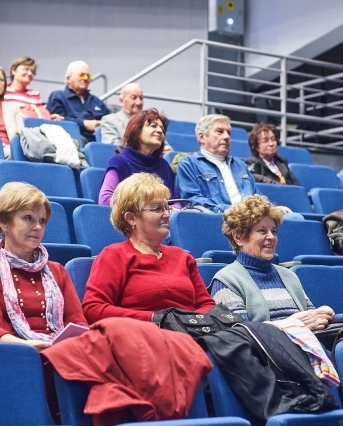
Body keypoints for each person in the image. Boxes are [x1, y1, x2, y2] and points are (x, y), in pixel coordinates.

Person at [0, 182, 87, 348]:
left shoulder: (58, 271)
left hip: (63, 351)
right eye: (28, 218)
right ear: (4, 222)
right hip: (14, 354)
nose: (37, 227)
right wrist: (26, 346)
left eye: (42, 221)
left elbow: (78, 324)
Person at [82, 173, 216, 323]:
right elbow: (93, 309)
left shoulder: (183, 257)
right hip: (141, 337)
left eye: (167, 207)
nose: (166, 214)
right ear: (131, 218)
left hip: (191, 336)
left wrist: (191, 322)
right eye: (157, 209)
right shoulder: (114, 255)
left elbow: (206, 304)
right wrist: (155, 319)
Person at [211, 195, 335, 327]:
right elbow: (239, 335)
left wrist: (322, 316)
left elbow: (311, 320)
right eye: (262, 231)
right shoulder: (226, 281)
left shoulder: (290, 276)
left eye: (274, 231)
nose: (271, 237)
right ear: (238, 237)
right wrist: (290, 326)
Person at [176, 114, 293, 215]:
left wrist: (271, 209)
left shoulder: (240, 165)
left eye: (228, 133)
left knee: (293, 217)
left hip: (251, 219)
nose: (227, 137)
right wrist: (232, 211)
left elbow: (256, 196)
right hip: (219, 217)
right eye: (220, 132)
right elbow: (193, 200)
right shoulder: (189, 164)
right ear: (202, 137)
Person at [98, 109, 177, 205]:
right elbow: (105, 200)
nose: (160, 131)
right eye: (153, 126)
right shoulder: (119, 161)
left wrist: (171, 210)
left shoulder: (164, 165)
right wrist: (145, 208)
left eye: (162, 129)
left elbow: (176, 201)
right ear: (137, 131)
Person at [46, 60, 109, 143]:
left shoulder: (96, 101)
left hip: (99, 141)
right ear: (68, 79)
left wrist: (101, 124)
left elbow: (110, 121)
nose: (86, 78)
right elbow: (59, 123)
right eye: (81, 75)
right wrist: (83, 124)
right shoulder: (58, 96)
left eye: (88, 76)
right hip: (72, 140)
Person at [4, 56, 62, 120]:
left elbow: (39, 115)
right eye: (26, 69)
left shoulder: (35, 94)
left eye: (32, 71)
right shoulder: (3, 91)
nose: (29, 73)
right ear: (14, 70)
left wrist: (49, 117)